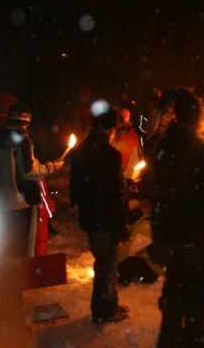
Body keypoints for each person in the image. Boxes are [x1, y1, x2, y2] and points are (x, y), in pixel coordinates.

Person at [151, 88, 204, 348]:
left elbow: (156, 190)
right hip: (195, 235)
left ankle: (169, 341)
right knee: (194, 303)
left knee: (175, 293)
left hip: (171, 234)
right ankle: (194, 342)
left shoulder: (163, 146)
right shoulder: (199, 147)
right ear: (197, 117)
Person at [70, 108, 130, 324]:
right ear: (109, 128)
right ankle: (103, 310)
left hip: (91, 216)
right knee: (107, 265)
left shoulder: (81, 150)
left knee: (104, 263)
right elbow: (116, 193)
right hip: (106, 218)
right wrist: (121, 221)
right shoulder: (110, 155)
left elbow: (75, 187)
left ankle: (109, 303)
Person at [0, 103, 64, 257]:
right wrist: (51, 167)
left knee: (12, 244)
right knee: (25, 247)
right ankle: (24, 277)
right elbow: (28, 172)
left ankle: (11, 277)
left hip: (4, 199)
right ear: (25, 122)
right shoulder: (22, 140)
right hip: (23, 201)